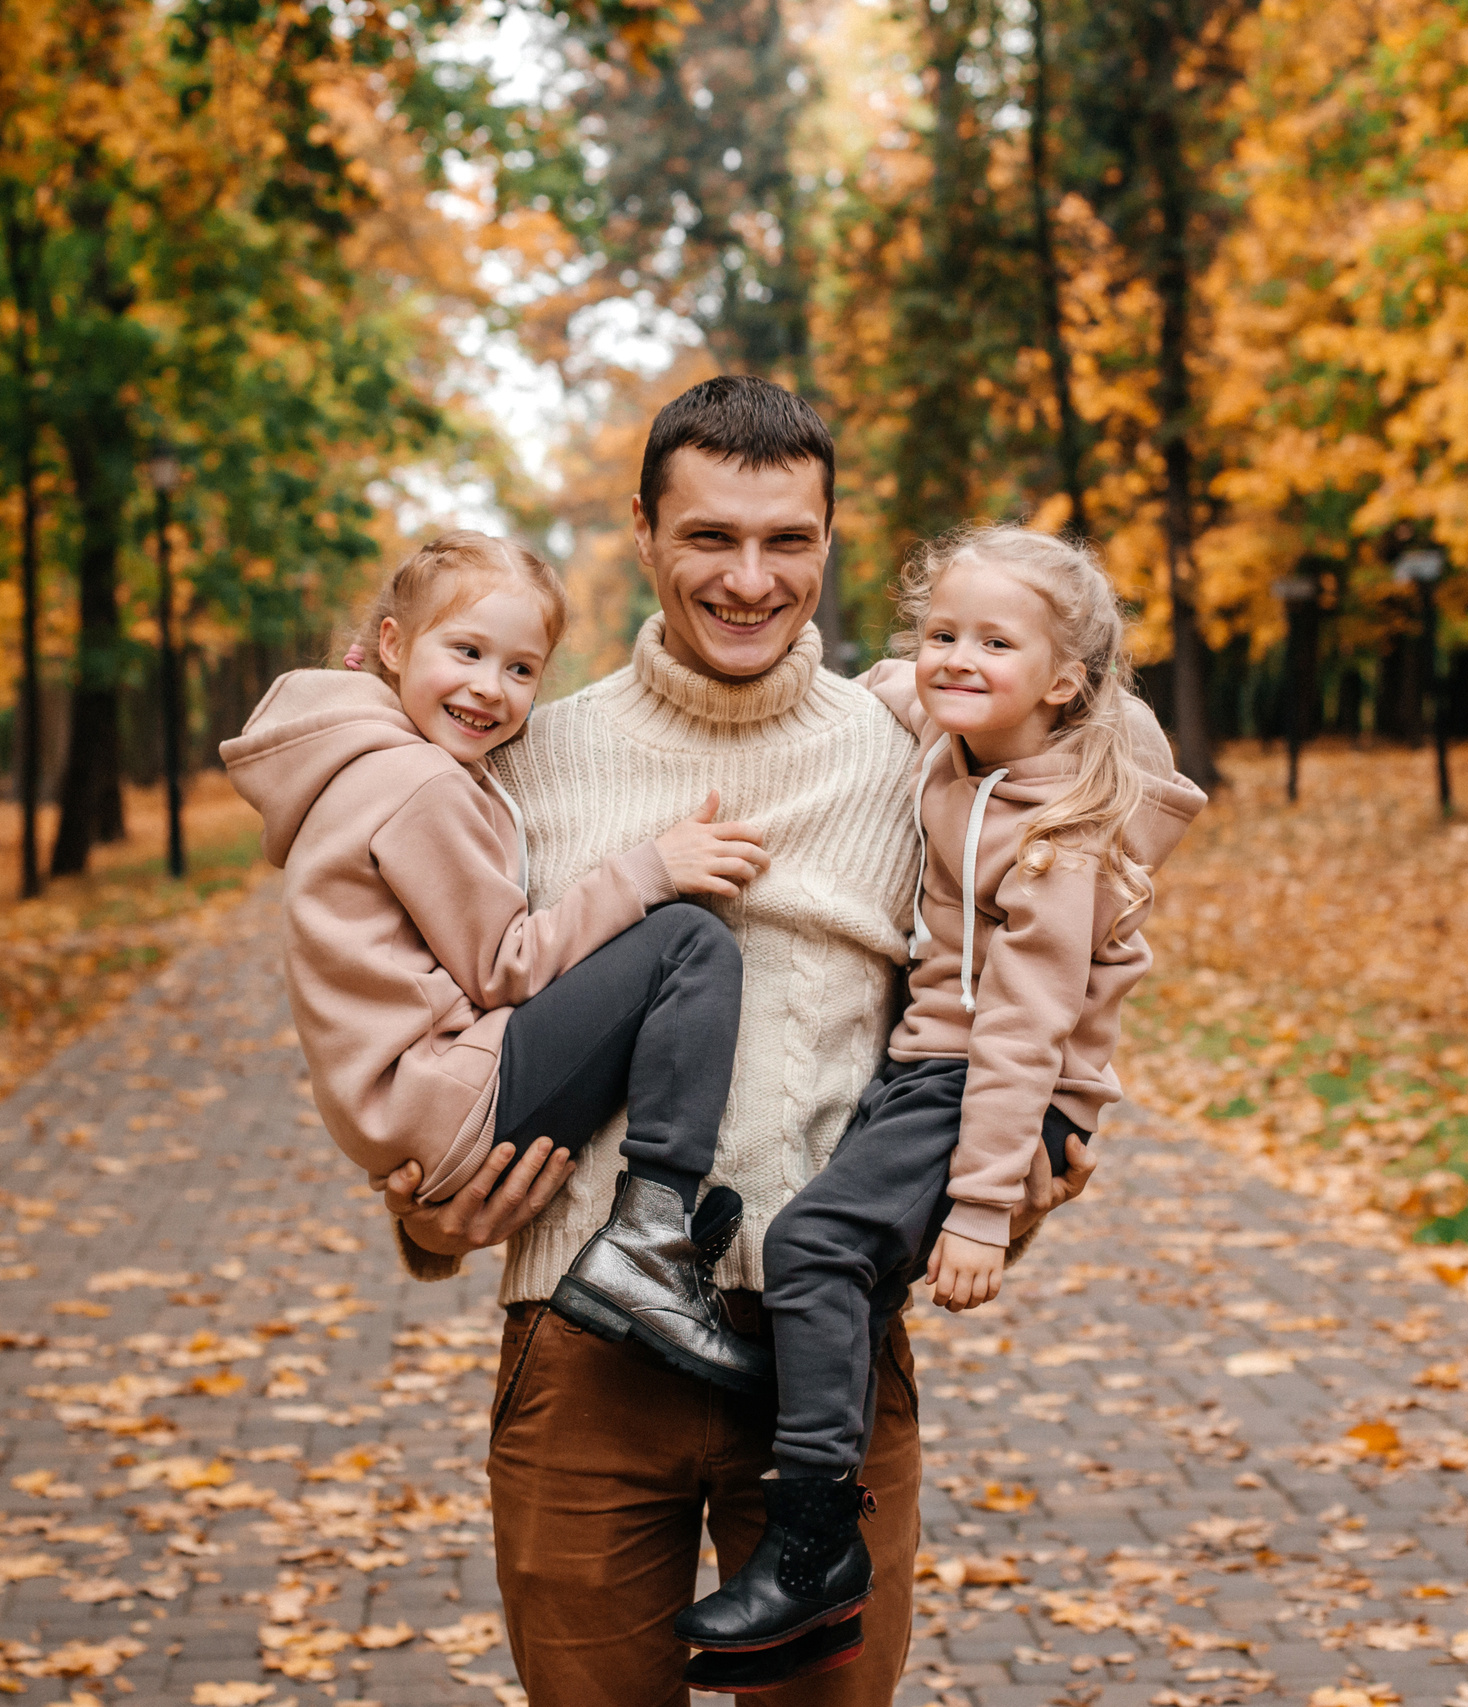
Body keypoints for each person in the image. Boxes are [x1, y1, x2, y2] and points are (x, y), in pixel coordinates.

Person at [371, 379, 1103, 1704]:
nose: (751, 579)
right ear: (644, 533)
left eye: (789, 540)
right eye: (710, 536)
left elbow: (1002, 1011)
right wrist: (425, 1210)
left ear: (831, 540)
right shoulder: (525, 758)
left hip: (822, 1367)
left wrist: (1023, 1184)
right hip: (583, 1347)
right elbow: (434, 1027)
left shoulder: (921, 766)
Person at [676, 523, 1207, 1663]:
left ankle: (813, 1542)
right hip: (937, 1070)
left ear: (1065, 681)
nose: (955, 658)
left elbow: (1025, 1031)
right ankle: (813, 1587)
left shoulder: (1061, 839)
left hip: (1000, 1085)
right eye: (940, 633)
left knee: (813, 1244)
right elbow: (878, 685)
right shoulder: (950, 738)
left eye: (994, 643)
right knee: (847, 1283)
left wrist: (980, 1204)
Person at [222, 530, 780, 1392]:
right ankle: (650, 1243)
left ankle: (649, 1245)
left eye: (521, 668)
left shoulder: (366, 760)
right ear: (393, 644)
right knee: (688, 942)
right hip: (446, 1095)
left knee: (677, 944)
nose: (490, 686)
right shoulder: (416, 782)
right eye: (467, 651)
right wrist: (650, 868)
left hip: (416, 1103)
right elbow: (504, 966)